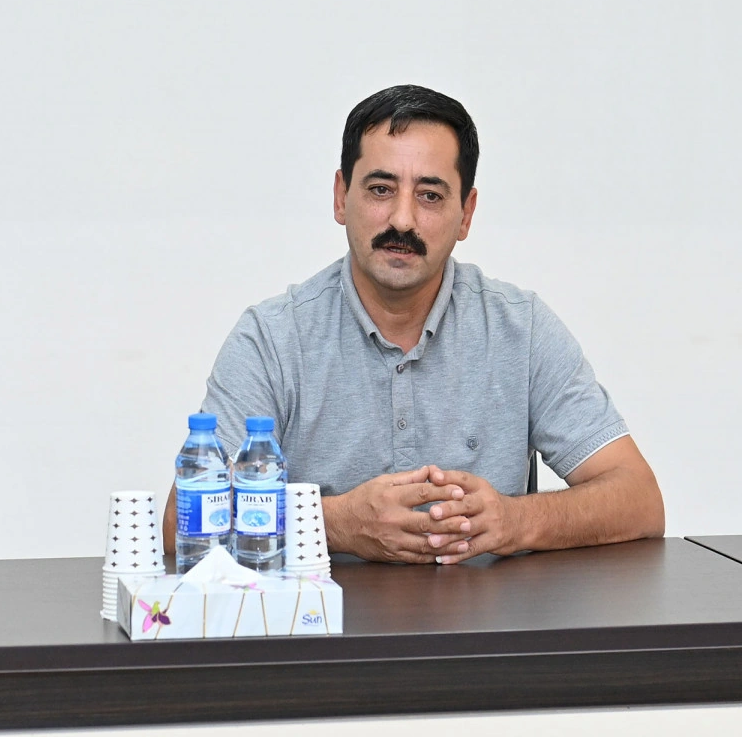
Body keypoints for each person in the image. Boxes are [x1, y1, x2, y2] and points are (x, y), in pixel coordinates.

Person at [163, 84, 664, 565]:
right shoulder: (272, 338)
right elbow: (179, 525)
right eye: (381, 189)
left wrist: (515, 521)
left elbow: (639, 501)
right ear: (341, 197)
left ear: (466, 214)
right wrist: (334, 523)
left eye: (430, 196)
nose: (402, 220)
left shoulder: (521, 329)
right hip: (324, 621)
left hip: (489, 621)